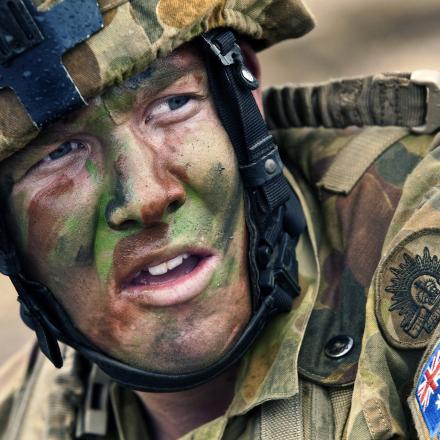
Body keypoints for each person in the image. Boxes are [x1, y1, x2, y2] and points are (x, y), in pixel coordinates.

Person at [0, 0, 439, 439]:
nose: (147, 198)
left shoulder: (420, 227)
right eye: (59, 153)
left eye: (173, 104)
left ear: (244, 96)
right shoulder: (21, 418)